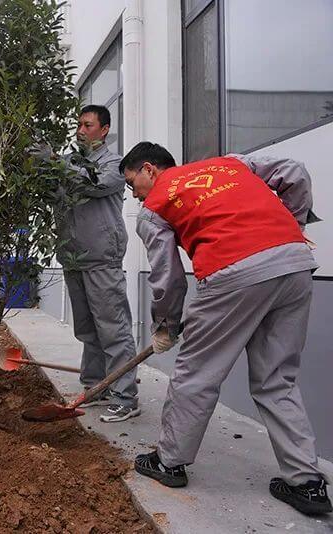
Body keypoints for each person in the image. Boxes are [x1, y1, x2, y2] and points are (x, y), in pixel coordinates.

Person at [120, 141, 331, 516]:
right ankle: (307, 484)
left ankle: (169, 462)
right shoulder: (230, 164)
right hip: (295, 262)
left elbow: (167, 278)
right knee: (277, 378)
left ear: (150, 170)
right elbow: (294, 170)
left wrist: (166, 325)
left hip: (233, 271)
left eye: (132, 183)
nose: (134, 194)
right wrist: (292, 225)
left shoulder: (153, 209)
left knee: (196, 373)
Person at [49, 105, 139, 422]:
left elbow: (94, 184)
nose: (81, 131)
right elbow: (56, 192)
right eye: (79, 125)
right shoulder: (70, 163)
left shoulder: (115, 164)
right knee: (88, 329)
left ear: (104, 130)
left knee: (113, 328)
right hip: (73, 257)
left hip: (101, 255)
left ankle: (126, 397)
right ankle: (95, 387)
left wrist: (55, 164)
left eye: (88, 125)